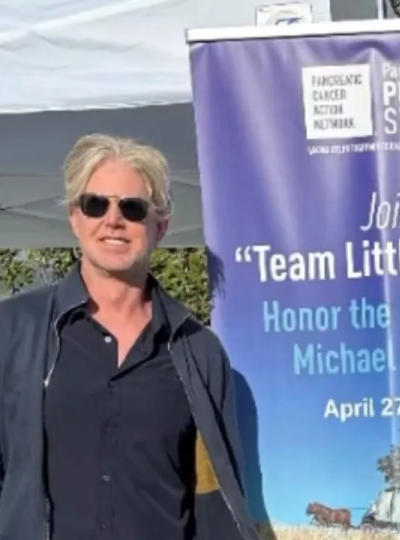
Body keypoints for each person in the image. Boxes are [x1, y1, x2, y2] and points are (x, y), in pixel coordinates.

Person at [0, 134, 258, 539]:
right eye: (96, 204)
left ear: (161, 226)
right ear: (75, 217)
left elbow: (211, 501)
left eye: (133, 208)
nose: (113, 219)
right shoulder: (14, 330)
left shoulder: (197, 351)